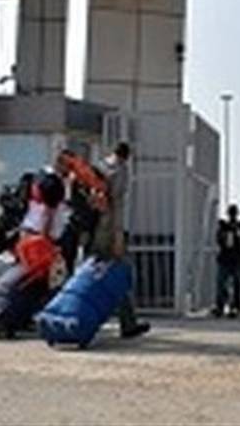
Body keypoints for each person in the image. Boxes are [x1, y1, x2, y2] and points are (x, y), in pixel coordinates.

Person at [87, 142, 149, 339]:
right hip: (110, 229)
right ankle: (128, 323)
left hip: (94, 229)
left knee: (90, 273)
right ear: (126, 156)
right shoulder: (120, 170)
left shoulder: (99, 165)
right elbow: (116, 203)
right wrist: (118, 236)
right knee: (121, 274)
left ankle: (84, 313)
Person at [213, 204, 240, 317]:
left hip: (235, 259)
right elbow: (219, 240)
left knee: (235, 284)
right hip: (225, 259)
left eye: (233, 214)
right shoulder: (223, 227)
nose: (232, 216)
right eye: (231, 214)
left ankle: (234, 307)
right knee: (221, 284)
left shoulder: (239, 227)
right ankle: (220, 306)